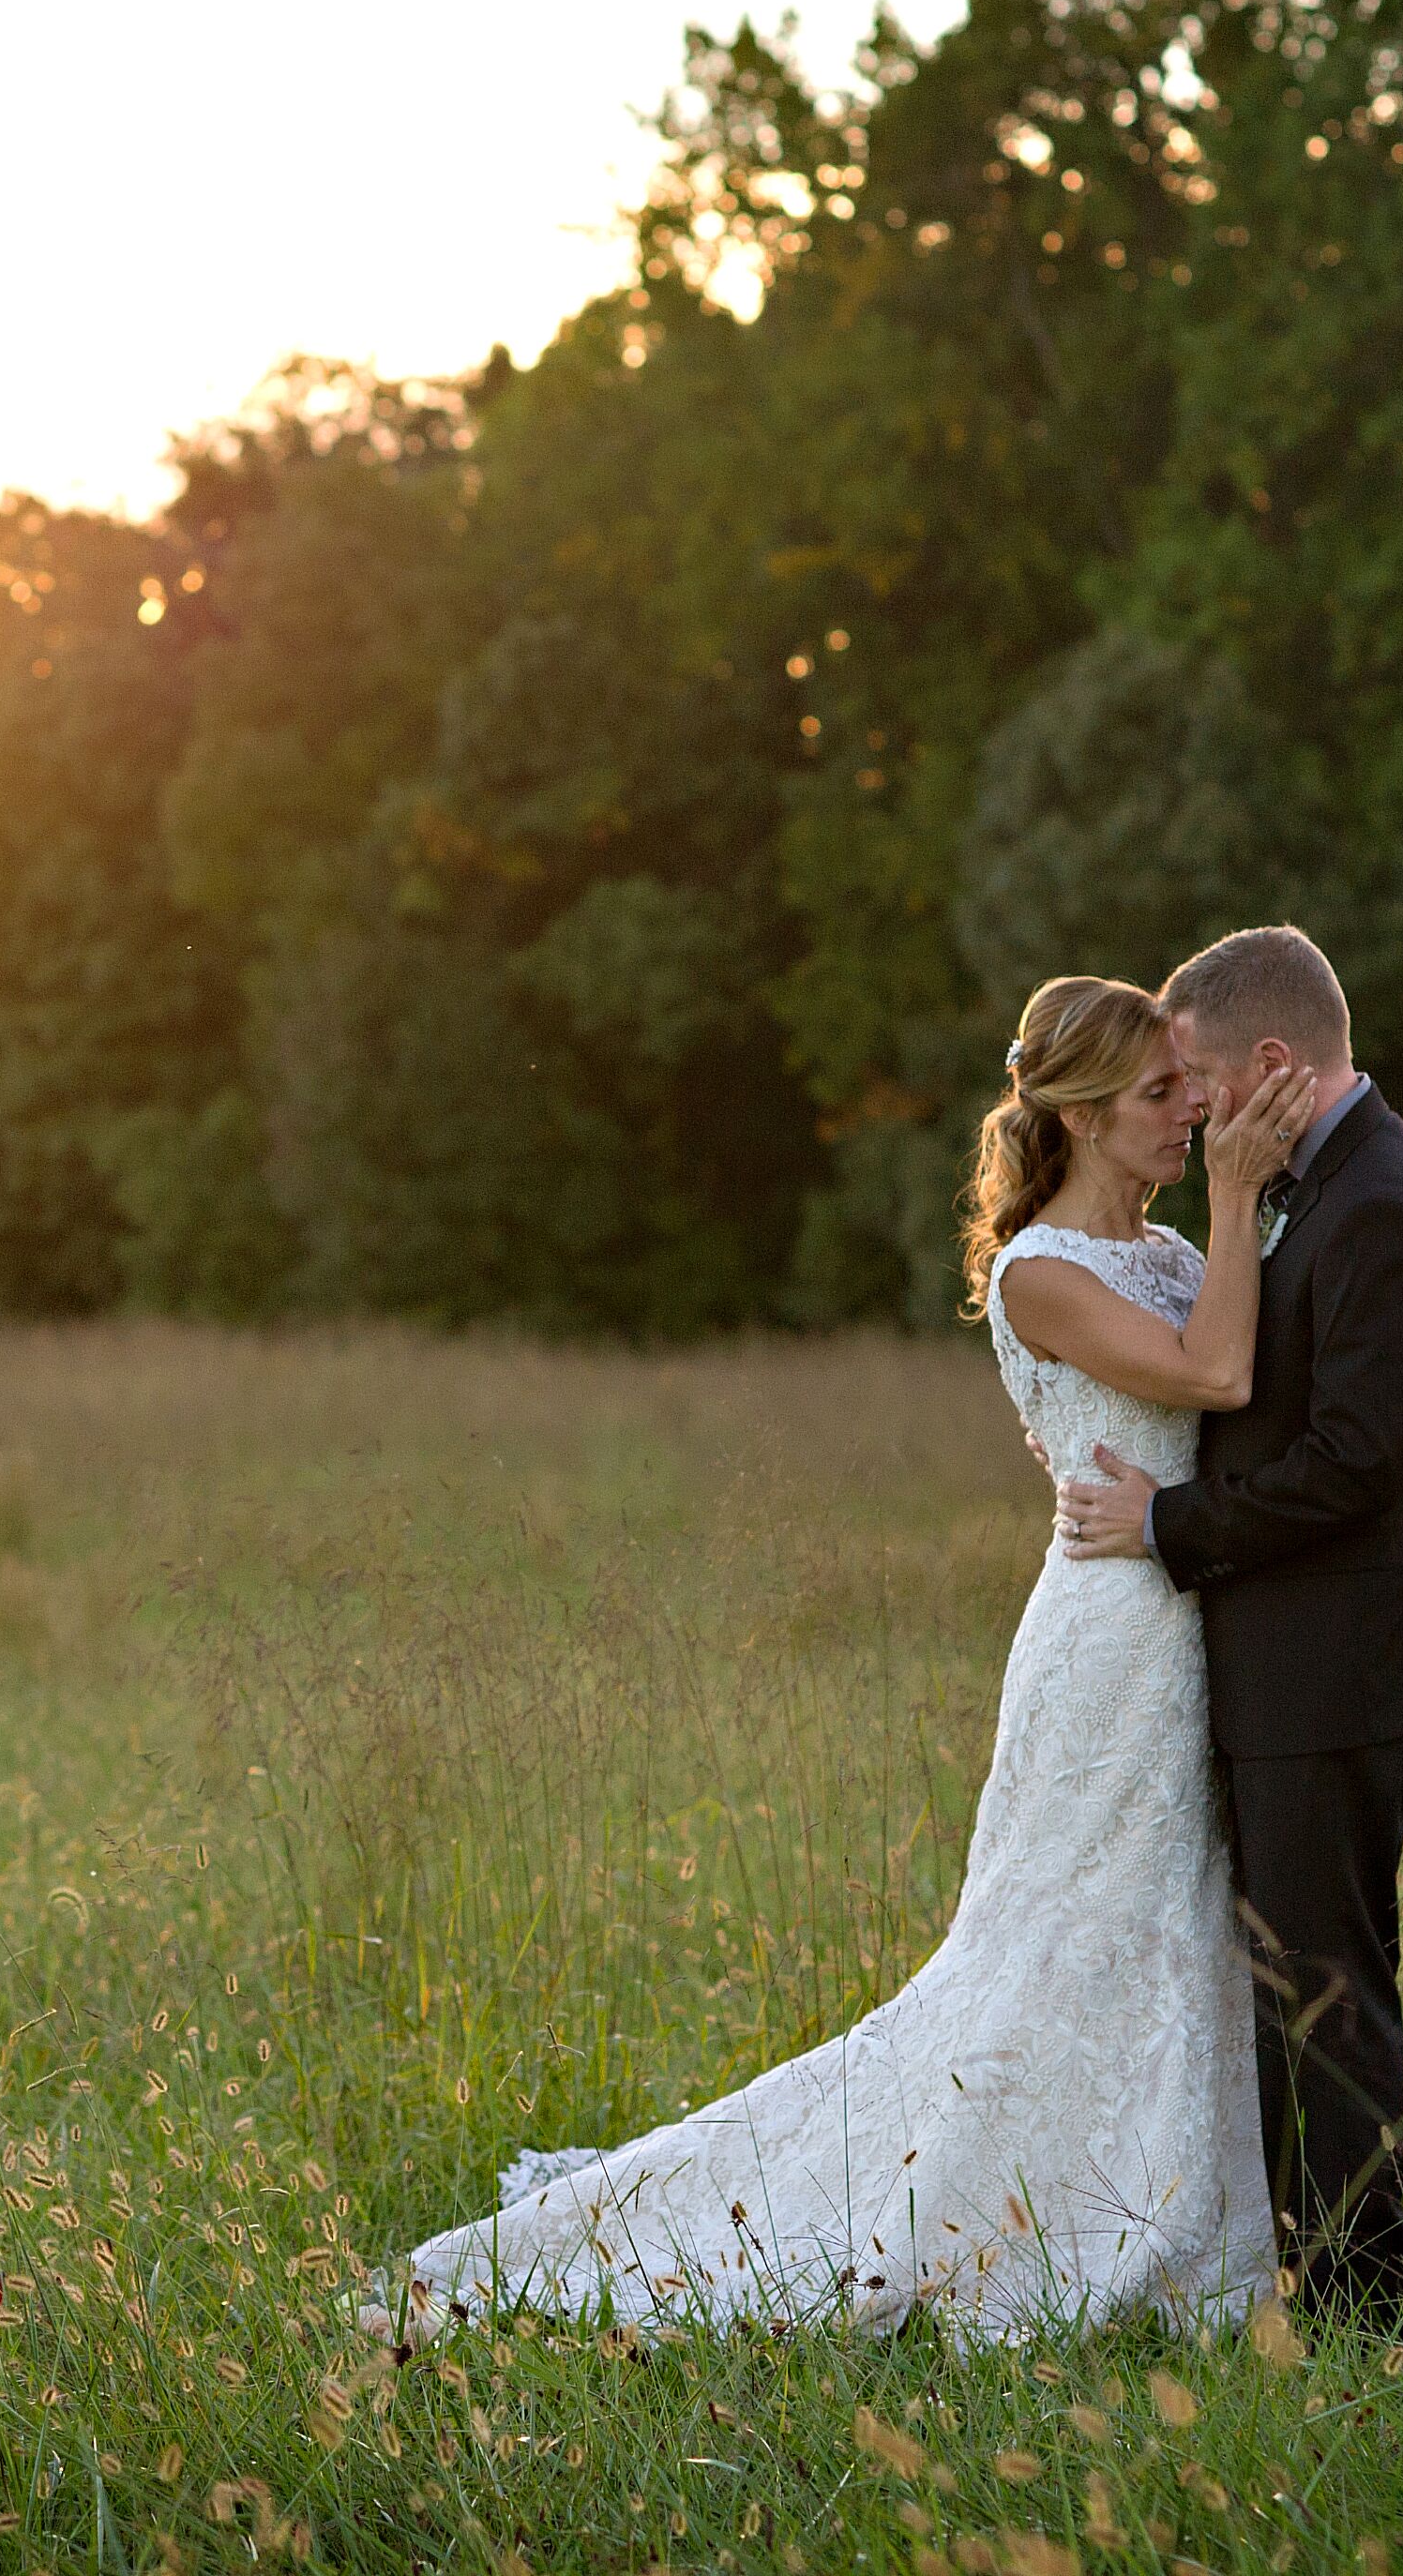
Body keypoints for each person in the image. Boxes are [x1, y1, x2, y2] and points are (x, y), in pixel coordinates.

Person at [360, 974, 1317, 2345]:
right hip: (1110, 1640)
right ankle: (1003, 2221)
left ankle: (1182, 2195)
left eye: (1192, 1088)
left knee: (1174, 1924)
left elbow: (1248, 1374)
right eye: (1163, 1095)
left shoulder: (1166, 1255)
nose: (1194, 1111)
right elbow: (1220, 1379)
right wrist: (1241, 1198)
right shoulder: (1047, 1273)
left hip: (1189, 1601)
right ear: (1088, 1116)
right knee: (1056, 1941)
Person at [1054, 923, 1403, 2322]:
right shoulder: (1319, 1181)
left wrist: (1167, 1527)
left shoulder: (1379, 1206)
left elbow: (1353, 1472)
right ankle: (1304, 2268)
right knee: (1299, 1976)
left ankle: (1363, 2306)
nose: (1189, 1109)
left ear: (1270, 1063)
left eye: (1195, 1077)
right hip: (1297, 1660)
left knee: (1324, 1986)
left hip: (1337, 1664)